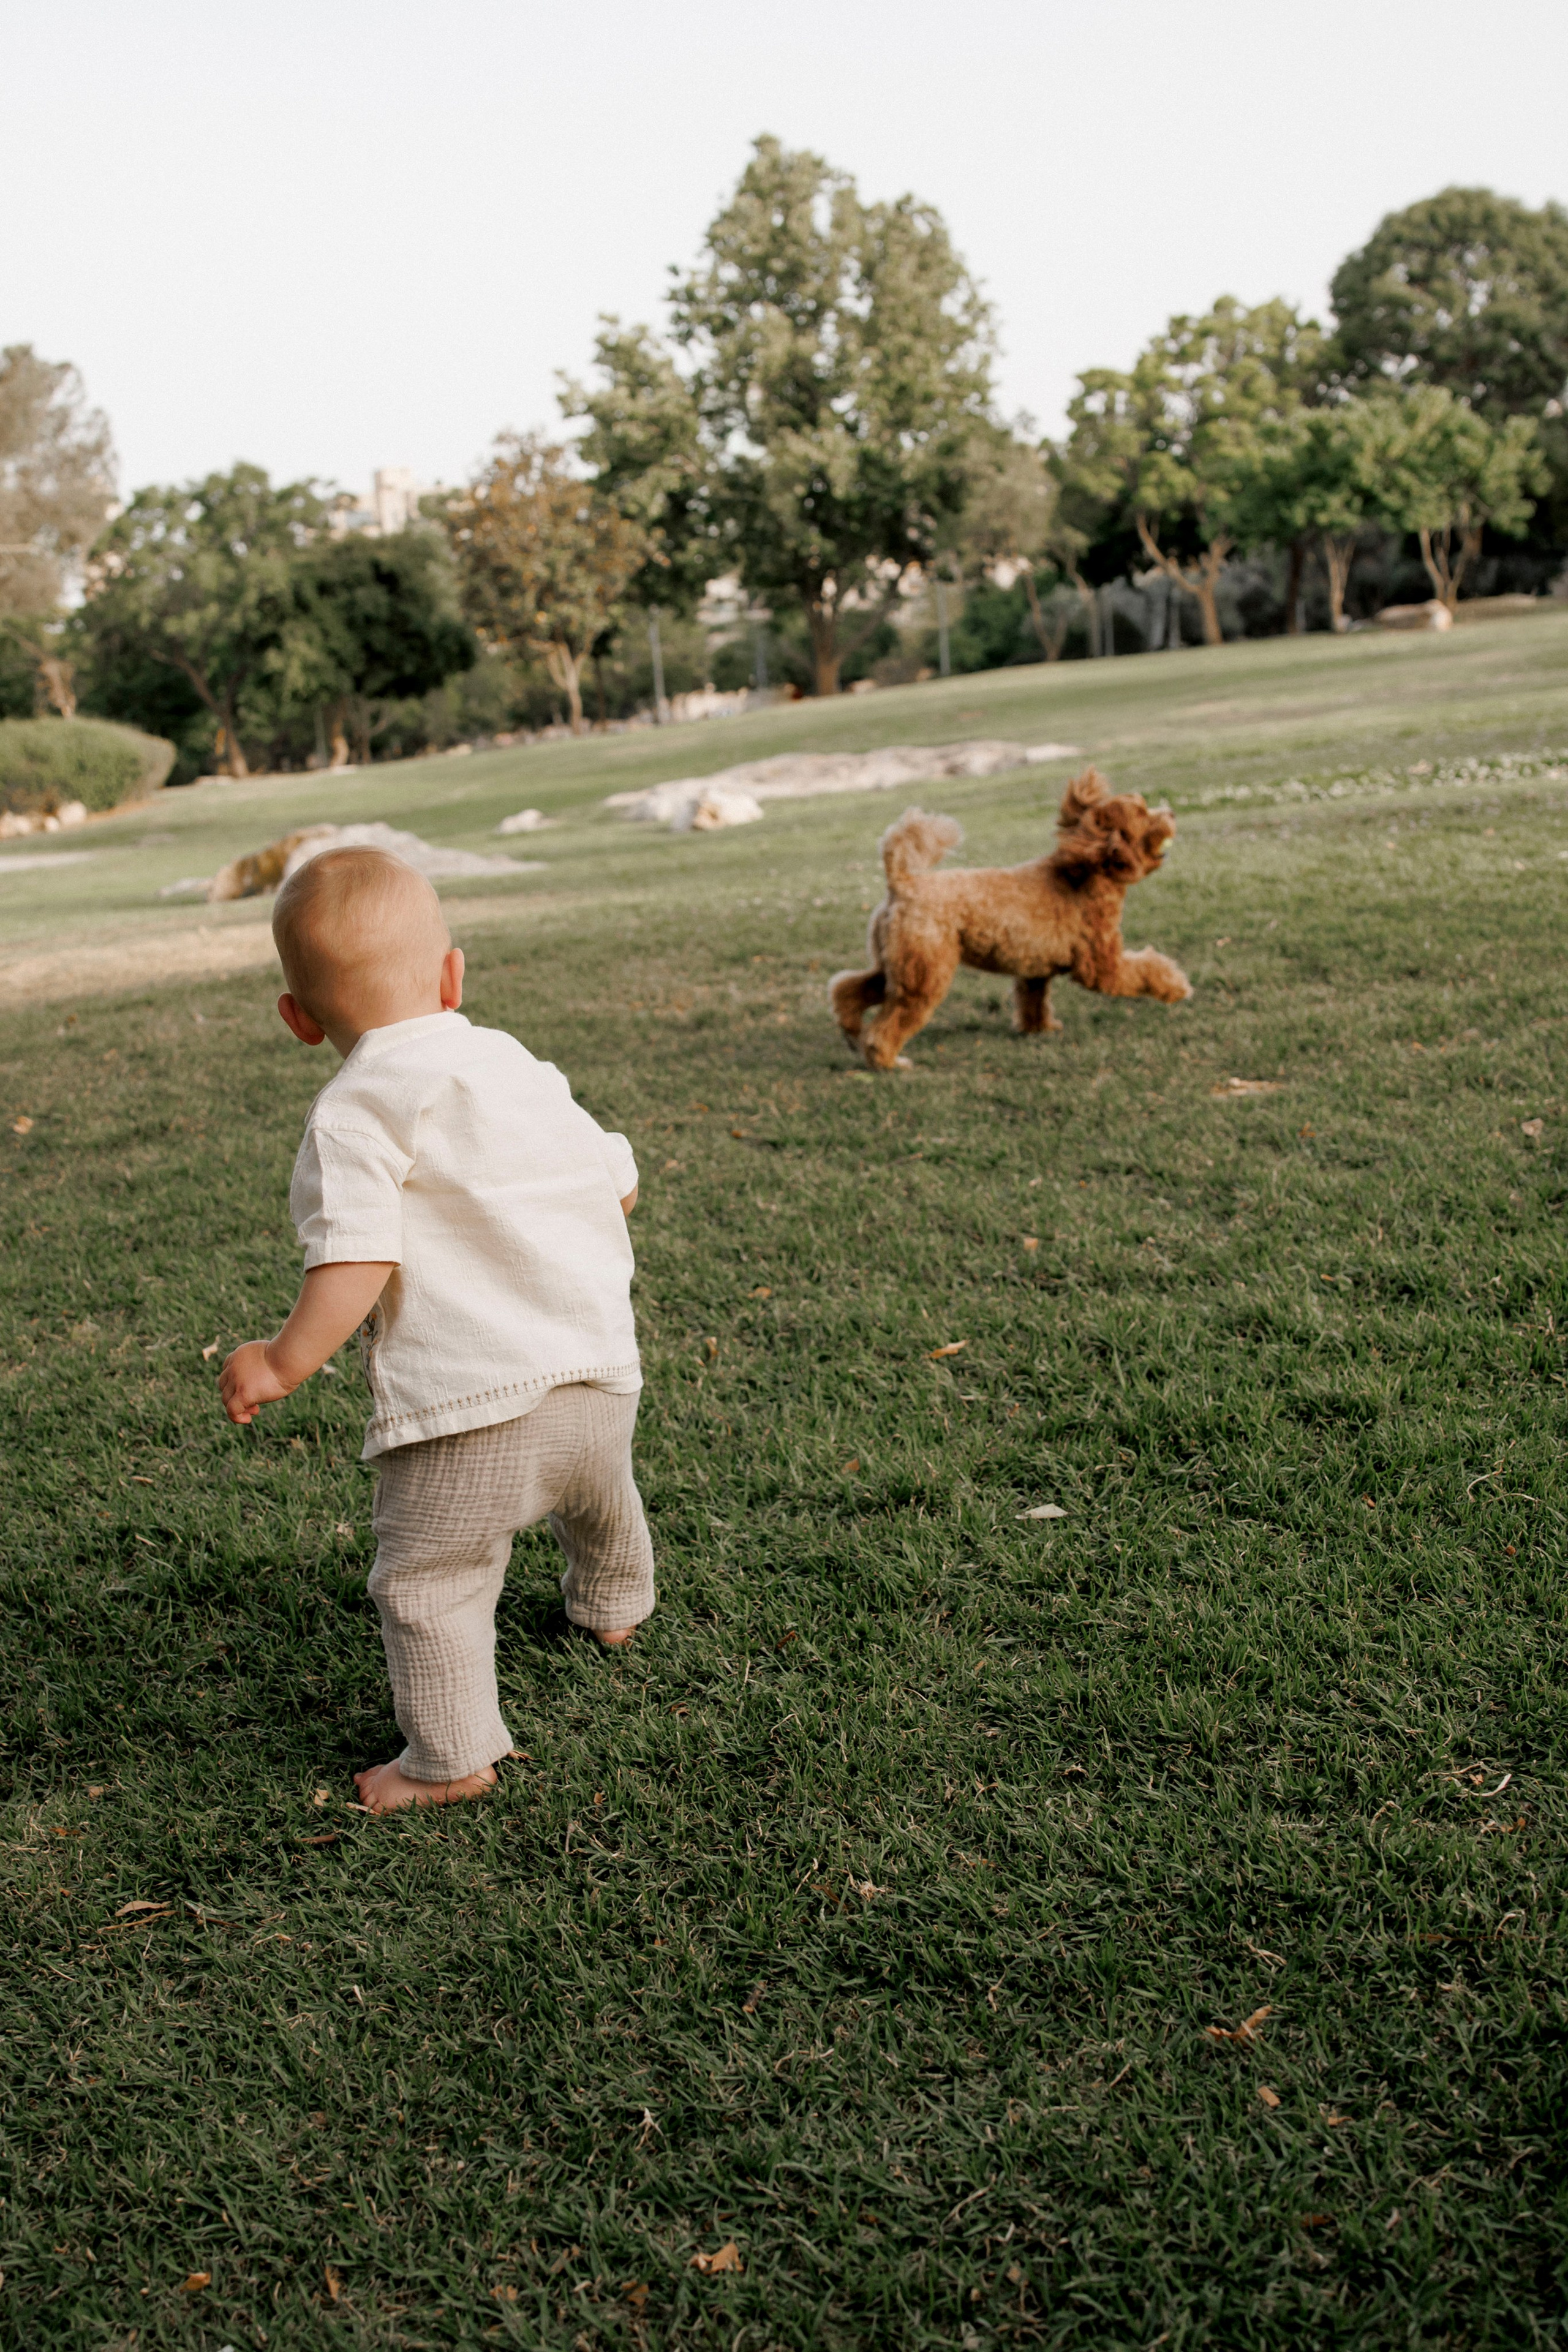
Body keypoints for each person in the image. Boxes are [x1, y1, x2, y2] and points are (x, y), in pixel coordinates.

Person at [219, 846, 653, 1814]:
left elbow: (355, 1259)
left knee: (428, 1580)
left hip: (469, 1413)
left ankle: (449, 1757)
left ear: (299, 1020)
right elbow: (616, 1181)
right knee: (599, 1498)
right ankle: (616, 1608)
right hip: (599, 1377)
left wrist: (282, 1361)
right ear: (453, 975)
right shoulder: (513, 1062)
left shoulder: (354, 1110)